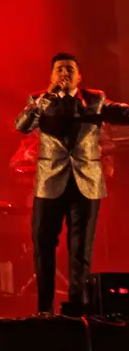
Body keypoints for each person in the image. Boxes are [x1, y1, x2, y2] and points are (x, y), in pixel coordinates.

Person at [15, 53, 129, 316]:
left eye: (69, 69)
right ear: (51, 76)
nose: (64, 73)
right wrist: (47, 97)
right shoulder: (39, 100)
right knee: (43, 244)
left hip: (86, 182)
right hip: (50, 181)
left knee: (80, 247)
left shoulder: (94, 99)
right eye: (59, 69)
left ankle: (77, 308)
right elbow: (21, 126)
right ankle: (44, 309)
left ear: (79, 76)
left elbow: (120, 112)